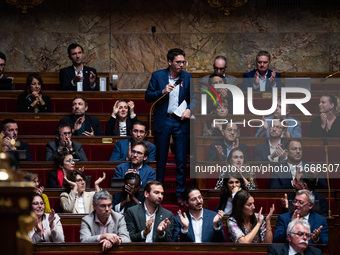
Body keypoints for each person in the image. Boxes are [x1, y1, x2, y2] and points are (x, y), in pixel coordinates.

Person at [145, 48, 197, 205]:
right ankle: (158, 193)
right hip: (164, 120)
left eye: (183, 62)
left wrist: (189, 109)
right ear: (170, 62)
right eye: (178, 62)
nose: (181, 65)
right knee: (161, 160)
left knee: (181, 160)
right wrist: (162, 91)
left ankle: (180, 194)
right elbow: (148, 96)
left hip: (180, 121)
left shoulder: (187, 77)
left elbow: (194, 98)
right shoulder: (158, 76)